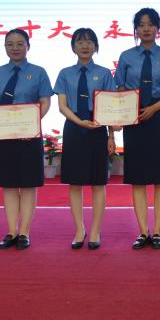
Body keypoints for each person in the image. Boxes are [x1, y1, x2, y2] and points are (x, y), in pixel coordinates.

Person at [0, 29, 53, 251]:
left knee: (29, 184)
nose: (15, 48)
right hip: (3, 137)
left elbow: (45, 101)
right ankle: (11, 231)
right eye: (10, 44)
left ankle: (24, 232)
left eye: (20, 43)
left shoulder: (39, 72)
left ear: (28, 46)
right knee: (9, 185)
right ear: (5, 47)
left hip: (29, 136)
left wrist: (30, 122)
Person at [115, 8, 160, 250]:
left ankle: (157, 232)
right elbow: (119, 88)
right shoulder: (126, 56)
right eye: (141, 25)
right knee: (138, 178)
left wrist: (154, 108)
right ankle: (143, 231)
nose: (146, 29)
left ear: (157, 28)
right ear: (136, 29)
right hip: (135, 116)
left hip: (159, 115)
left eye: (150, 24)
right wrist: (126, 109)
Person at [54, 28, 115, 250]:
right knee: (75, 183)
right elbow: (62, 106)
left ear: (96, 46)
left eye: (90, 42)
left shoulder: (105, 73)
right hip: (73, 127)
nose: (85, 46)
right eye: (80, 42)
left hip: (97, 128)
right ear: (73, 47)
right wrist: (78, 122)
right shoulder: (65, 73)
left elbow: (110, 106)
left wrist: (111, 135)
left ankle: (96, 230)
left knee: (98, 183)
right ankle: (79, 229)